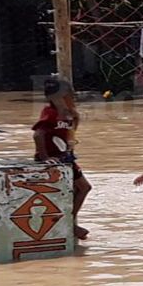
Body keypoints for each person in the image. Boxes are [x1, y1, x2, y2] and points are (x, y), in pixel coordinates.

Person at [32, 77, 92, 240]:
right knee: (82, 188)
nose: (72, 99)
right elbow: (38, 134)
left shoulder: (67, 114)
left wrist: (75, 117)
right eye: (69, 96)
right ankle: (69, 223)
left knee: (83, 188)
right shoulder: (49, 113)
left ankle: (69, 221)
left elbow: (72, 131)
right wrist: (45, 157)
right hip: (54, 159)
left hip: (66, 158)